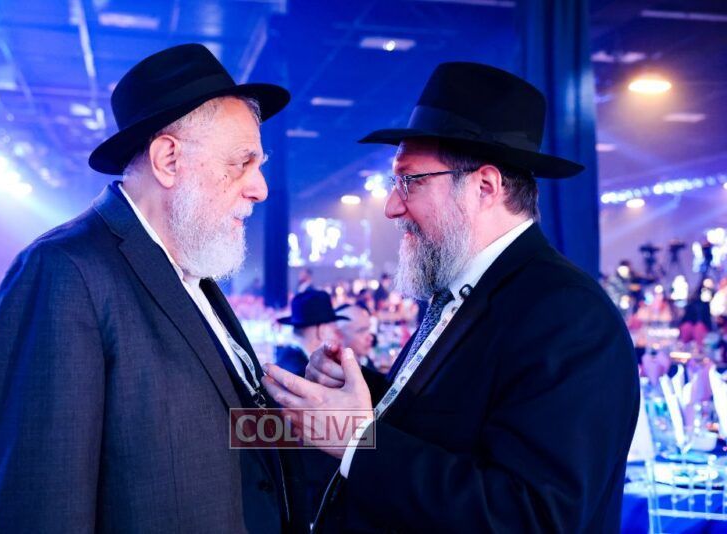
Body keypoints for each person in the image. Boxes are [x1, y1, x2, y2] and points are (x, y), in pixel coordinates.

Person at [263, 62, 638, 532]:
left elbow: (532, 517)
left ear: (484, 187)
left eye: (410, 181)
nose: (391, 206)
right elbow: (447, 424)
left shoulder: (567, 314)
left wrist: (357, 439)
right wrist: (358, 394)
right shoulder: (463, 290)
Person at [0, 44, 299, 533]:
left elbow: (225, 433)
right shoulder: (63, 272)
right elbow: (37, 505)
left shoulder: (190, 270)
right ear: (168, 159)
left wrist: (336, 426)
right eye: (242, 163)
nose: (261, 188)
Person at [275, 289, 348, 377]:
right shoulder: (305, 374)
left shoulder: (287, 359)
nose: (341, 337)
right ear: (322, 331)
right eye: (336, 331)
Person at [334, 303, 378, 372]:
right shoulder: (338, 371)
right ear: (339, 335)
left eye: (368, 329)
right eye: (361, 331)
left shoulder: (364, 360)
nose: (371, 338)